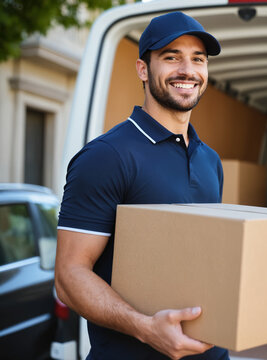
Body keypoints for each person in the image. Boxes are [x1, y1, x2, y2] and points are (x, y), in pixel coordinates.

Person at [55, 12, 229, 360]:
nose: (188, 70)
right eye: (171, 57)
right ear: (142, 69)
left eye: (198, 59)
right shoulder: (107, 156)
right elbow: (69, 275)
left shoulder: (210, 160)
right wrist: (145, 328)